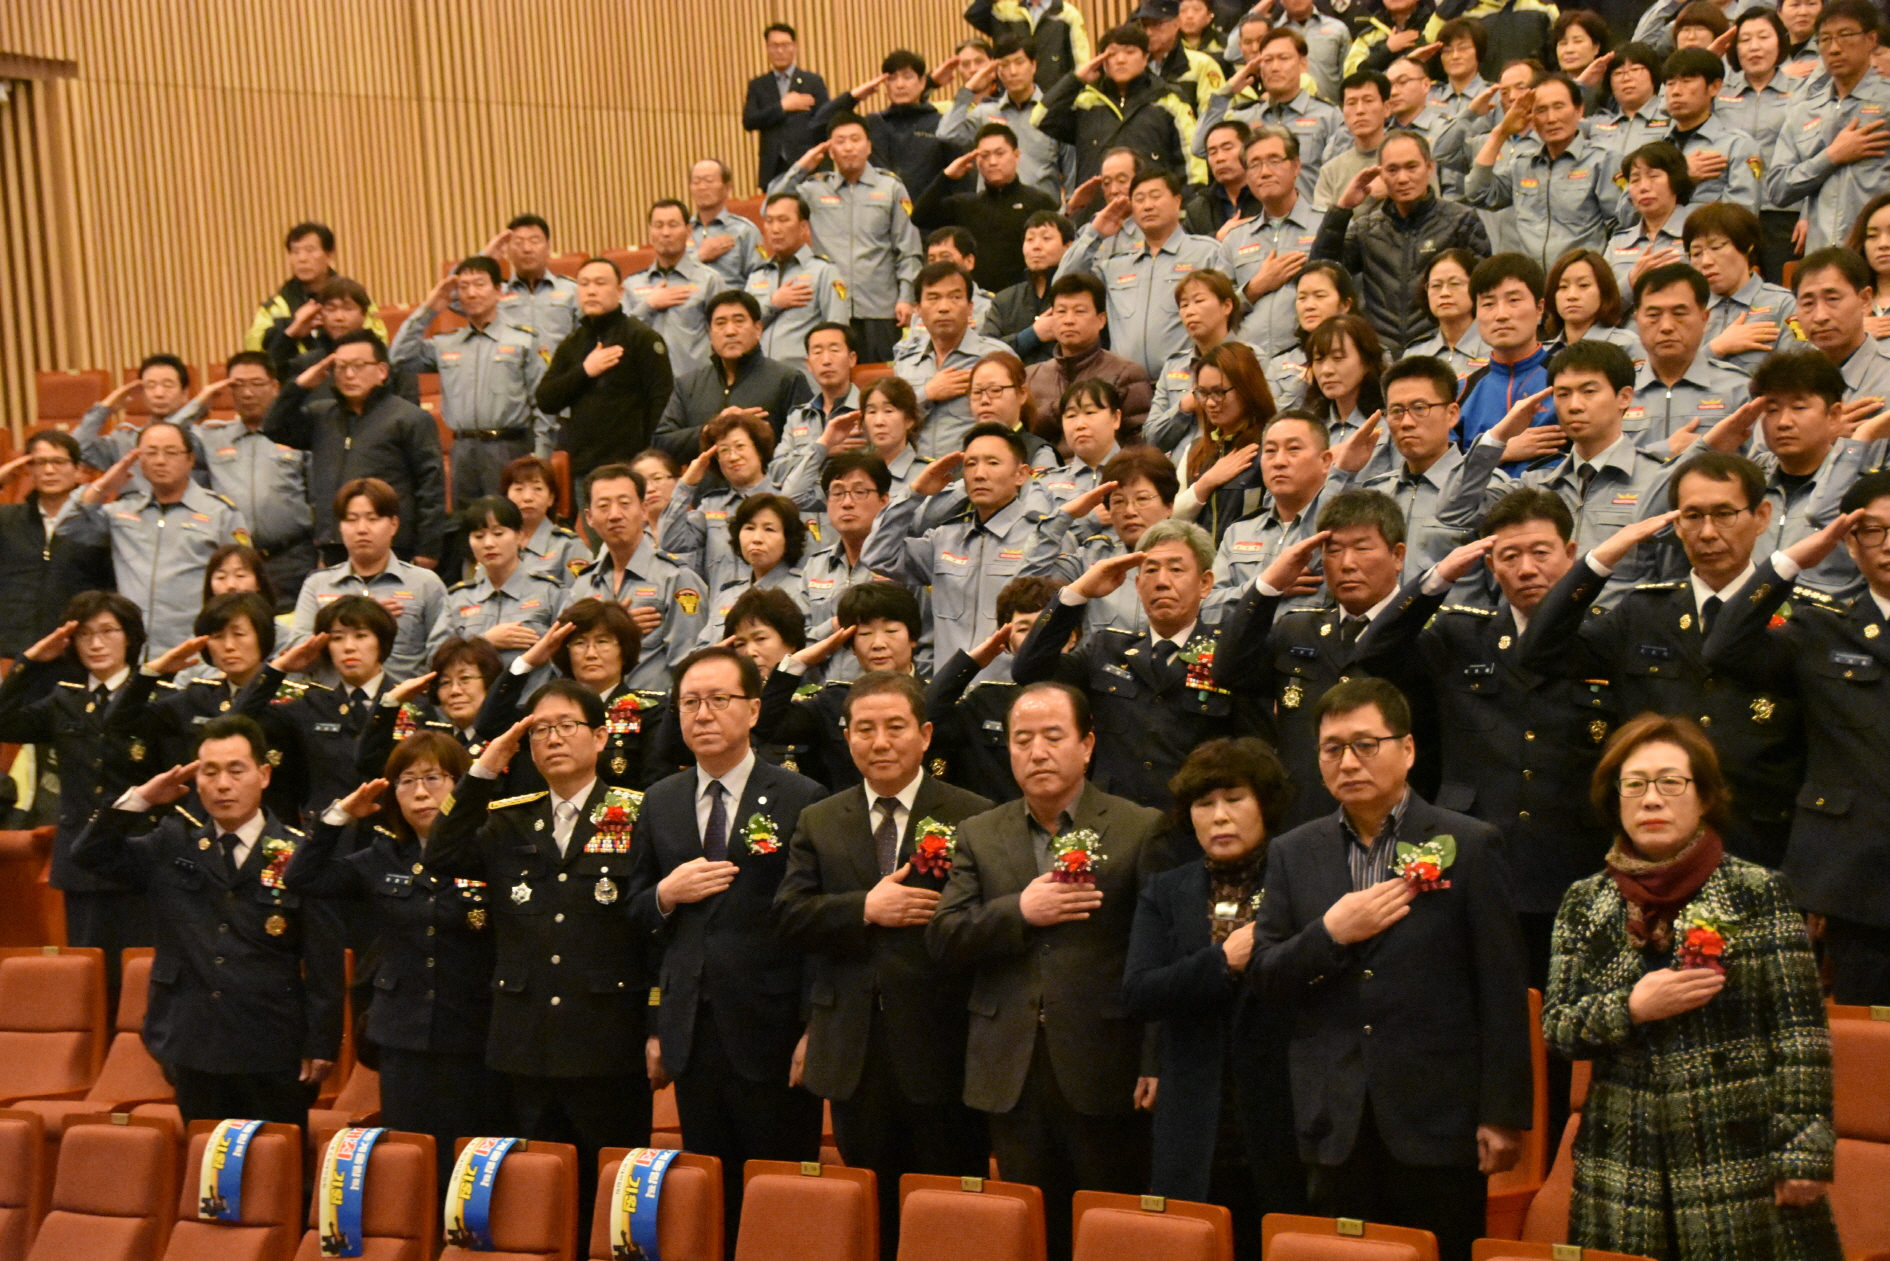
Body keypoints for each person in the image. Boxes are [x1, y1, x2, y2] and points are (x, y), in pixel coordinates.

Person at [1542, 714, 1843, 1261]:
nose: (1651, 799)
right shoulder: (1585, 901)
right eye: (1635, 784)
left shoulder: (1756, 892)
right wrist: (1632, 1007)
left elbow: (1800, 1036)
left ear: (1704, 797)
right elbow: (1559, 1028)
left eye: (1670, 782)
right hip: (1625, 1162)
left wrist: (1803, 1153)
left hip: (1738, 1155)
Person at [1251, 677, 1532, 1261]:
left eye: (1365, 744)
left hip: (1439, 1117)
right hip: (1334, 1117)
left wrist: (1502, 1114)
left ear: (1407, 749)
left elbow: (1501, 990)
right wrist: (1330, 934)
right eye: (1332, 748)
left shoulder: (1470, 844)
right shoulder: (1292, 852)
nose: (1348, 762)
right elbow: (1266, 977)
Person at [927, 681, 1169, 1261]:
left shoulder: (1139, 828)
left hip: (1105, 1059)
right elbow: (944, 936)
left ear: (1086, 745)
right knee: (1027, 1229)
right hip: (1008, 1066)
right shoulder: (980, 832)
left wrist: (1154, 1057)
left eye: (1053, 737)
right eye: (1022, 740)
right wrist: (1020, 911)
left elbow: (1160, 953)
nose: (1037, 752)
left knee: (1110, 1229)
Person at [422, 679, 657, 1234]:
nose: (553, 738)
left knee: (608, 1198)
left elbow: (656, 932)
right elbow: (442, 852)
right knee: (530, 1198)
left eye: (566, 726)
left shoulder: (640, 813)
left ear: (600, 737)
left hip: (607, 1043)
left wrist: (655, 1026)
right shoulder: (509, 819)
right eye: (540, 730)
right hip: (524, 1043)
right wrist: (485, 766)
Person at [773, 671, 995, 1253]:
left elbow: (986, 926)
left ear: (925, 734)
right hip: (853, 1051)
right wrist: (864, 909)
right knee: (871, 1216)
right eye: (865, 729)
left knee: (951, 1215)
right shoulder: (821, 818)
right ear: (846, 737)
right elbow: (790, 916)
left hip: (944, 1046)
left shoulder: (973, 815)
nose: (880, 742)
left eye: (895, 727)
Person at [624, 646, 828, 1245]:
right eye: (690, 702)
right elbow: (636, 913)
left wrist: (814, 1024)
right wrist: (665, 895)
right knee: (710, 1196)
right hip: (692, 1030)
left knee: (780, 1200)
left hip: (773, 1027)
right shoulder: (660, 799)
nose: (703, 714)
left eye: (719, 699)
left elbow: (815, 926)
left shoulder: (801, 796)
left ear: (754, 710)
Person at [1519, 452, 1805, 868]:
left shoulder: (1800, 619)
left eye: (1724, 514)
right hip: (1652, 844)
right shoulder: (1644, 612)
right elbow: (1541, 650)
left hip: (1760, 842)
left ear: (1761, 516)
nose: (1708, 532)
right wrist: (1600, 561)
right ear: (1676, 524)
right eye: (1693, 516)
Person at [73, 715, 344, 1130]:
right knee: (205, 1163)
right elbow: (88, 854)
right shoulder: (172, 844)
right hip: (192, 1041)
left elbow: (324, 960)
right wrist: (141, 799)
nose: (222, 785)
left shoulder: (297, 854)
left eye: (236, 771)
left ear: (264, 775)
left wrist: (322, 1042)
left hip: (272, 1043)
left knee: (276, 1162)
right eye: (209, 772)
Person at [1402, 490, 1619, 993]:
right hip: (1473, 860)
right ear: (1490, 564)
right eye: (1510, 555)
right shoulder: (1460, 635)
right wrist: (1438, 579)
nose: (1526, 569)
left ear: (1571, 553)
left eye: (1541, 552)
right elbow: (1377, 652)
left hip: (1574, 862)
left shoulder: (1603, 639)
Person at [284, 733, 505, 1190]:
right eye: (407, 781)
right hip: (402, 1034)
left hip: (474, 1033)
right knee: (410, 1161)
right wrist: (339, 816)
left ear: (461, 786)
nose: (420, 793)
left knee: (471, 1166)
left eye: (433, 778)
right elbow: (303, 877)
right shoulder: (381, 857)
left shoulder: (489, 852)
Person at [1703, 476, 1890, 1004]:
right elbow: (1725, 648)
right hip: (1861, 880)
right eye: (1874, 531)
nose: (1889, 545)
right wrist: (1790, 562)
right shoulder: (1824, 628)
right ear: (1850, 542)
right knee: (1866, 1038)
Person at [1124, 738, 1306, 1257]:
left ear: (1264, 805)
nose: (1219, 816)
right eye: (1204, 804)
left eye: (1234, 799)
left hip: (1283, 1112)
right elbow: (1139, 991)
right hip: (1193, 1116)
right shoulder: (1166, 890)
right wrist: (1221, 962)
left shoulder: (1300, 877)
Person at [1211, 490, 1441, 829]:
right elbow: (1229, 671)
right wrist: (1268, 585)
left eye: (1362, 548)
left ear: (1397, 555)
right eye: (1333, 551)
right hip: (1305, 822)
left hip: (1399, 824)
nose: (1347, 563)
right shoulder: (1298, 630)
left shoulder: (1430, 634)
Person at [1015, 518, 1270, 811]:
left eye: (1176, 569)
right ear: (1137, 585)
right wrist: (1079, 592)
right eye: (1150, 570)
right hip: (1112, 823)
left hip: (1194, 822)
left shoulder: (1228, 656)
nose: (1161, 582)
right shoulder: (1106, 649)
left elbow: (1256, 752)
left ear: (1205, 583)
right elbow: (1029, 671)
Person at [0, 593, 156, 992]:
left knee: (141, 979)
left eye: (107, 632)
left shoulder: (157, 698)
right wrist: (31, 661)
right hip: (81, 861)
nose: (96, 644)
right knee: (91, 980)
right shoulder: (65, 699)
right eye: (85, 634)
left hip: (138, 856)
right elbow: (5, 722)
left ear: (130, 637)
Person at [864, 422, 1058, 676]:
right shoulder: (944, 538)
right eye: (970, 464)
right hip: (950, 689)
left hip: (1013, 688)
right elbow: (877, 555)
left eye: (993, 463)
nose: (979, 474)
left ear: (1021, 474)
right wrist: (915, 494)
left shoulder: (1043, 538)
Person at [266, 329, 446, 567]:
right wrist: (300, 386)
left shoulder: (409, 418)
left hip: (393, 543)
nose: (349, 375)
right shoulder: (322, 415)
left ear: (382, 371)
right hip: (336, 541)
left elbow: (430, 486)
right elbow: (274, 427)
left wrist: (429, 548)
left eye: (359, 366)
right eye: (340, 367)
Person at [82, 422, 250, 657]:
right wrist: (104, 485)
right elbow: (69, 525)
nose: (160, 461)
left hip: (194, 647)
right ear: (139, 460)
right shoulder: (122, 512)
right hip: (132, 649)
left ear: (190, 460)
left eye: (171, 452)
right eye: (150, 453)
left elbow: (244, 585)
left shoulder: (220, 513)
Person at [1315, 132, 1490, 356]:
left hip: (1443, 351)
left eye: (1411, 167)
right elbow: (1322, 273)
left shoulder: (1461, 221)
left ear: (1430, 167)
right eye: (1392, 169)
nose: (1402, 178)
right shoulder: (1367, 228)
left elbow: (1485, 291)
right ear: (1380, 174)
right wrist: (1342, 208)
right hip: (1381, 355)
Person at [393, 255, 549, 502]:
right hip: (463, 449)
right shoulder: (447, 343)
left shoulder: (523, 341)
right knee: (467, 522)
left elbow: (543, 403)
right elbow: (398, 356)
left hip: (509, 446)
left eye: (479, 284)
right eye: (464, 287)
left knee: (509, 518)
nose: (471, 293)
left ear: (498, 290)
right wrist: (429, 308)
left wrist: (541, 457)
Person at [772, 114, 925, 363]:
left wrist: (906, 297)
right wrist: (801, 167)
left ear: (868, 146)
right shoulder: (814, 189)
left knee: (880, 379)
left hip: (880, 310)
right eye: (840, 141)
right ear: (830, 150)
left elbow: (909, 248)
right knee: (833, 377)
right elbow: (771, 206)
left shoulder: (891, 188)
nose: (848, 147)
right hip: (829, 308)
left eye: (855, 139)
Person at [486, 600, 681, 793]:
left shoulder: (652, 710)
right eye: (579, 643)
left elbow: (658, 787)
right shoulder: (547, 711)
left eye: (602, 641)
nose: (591, 653)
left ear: (624, 650)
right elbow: (490, 724)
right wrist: (528, 661)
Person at [1343, 356, 1509, 576]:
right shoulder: (1375, 492)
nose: (1406, 423)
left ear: (1451, 414)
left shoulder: (1488, 487)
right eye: (1396, 411)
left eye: (1419, 408)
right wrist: (1342, 471)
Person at [1057, 166, 1221, 378]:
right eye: (1139, 199)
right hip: (1125, 384)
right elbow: (1062, 284)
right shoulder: (1116, 265)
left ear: (1177, 201)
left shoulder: (1206, 253)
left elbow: (1231, 313)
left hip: (1185, 381)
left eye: (1155, 196)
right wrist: (1095, 233)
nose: (1148, 205)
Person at [561, 464, 709, 692]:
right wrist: (617, 628)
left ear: (643, 509)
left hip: (654, 708)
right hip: (595, 708)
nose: (614, 515)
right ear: (589, 517)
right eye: (603, 506)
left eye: (624, 503)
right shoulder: (583, 585)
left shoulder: (675, 578)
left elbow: (690, 667)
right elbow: (564, 658)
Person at [289, 478, 448, 683]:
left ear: (393, 524)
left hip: (402, 697)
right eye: (351, 520)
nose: (362, 529)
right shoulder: (318, 584)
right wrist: (358, 617)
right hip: (333, 698)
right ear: (340, 527)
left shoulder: (425, 584)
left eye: (372, 519)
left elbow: (443, 655)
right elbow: (299, 655)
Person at [1765, 0, 1890, 255]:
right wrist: (1831, 156)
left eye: (1845, 36)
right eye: (1824, 39)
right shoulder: (1804, 111)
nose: (1834, 48)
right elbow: (1778, 189)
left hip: (1878, 252)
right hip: (1822, 255)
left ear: (1871, 39)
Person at [190, 353, 314, 608]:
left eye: (257, 384)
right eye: (238, 385)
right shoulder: (212, 437)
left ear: (275, 386)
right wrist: (199, 405)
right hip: (232, 562)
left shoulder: (297, 435)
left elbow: (319, 494)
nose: (247, 393)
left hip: (291, 559)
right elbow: (162, 438)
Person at [535, 257, 674, 483]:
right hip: (583, 468)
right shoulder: (572, 342)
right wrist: (585, 371)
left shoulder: (641, 337)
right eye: (584, 284)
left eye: (600, 283)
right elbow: (545, 399)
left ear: (620, 292)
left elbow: (661, 402)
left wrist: (649, 458)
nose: (591, 291)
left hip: (631, 467)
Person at [1468, 72, 1619, 274]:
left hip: (1580, 281)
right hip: (1532, 282)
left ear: (1579, 110)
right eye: (1541, 110)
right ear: (1531, 118)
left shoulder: (1603, 160)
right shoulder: (1523, 165)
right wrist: (1500, 133)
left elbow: (1620, 227)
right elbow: (1478, 193)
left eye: (1559, 107)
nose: (1551, 118)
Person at [1034, 23, 1203, 190]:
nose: (1120, 60)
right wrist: (1076, 80)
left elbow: (1192, 164)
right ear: (1101, 60)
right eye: (1112, 53)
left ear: (1145, 57)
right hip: (1096, 205)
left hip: (1150, 203)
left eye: (1130, 52)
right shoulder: (1086, 101)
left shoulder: (1168, 99)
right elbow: (1040, 118)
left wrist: (1188, 205)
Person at [655, 291, 812, 462]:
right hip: (705, 479)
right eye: (720, 323)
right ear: (710, 333)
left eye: (739, 321)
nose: (730, 331)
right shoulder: (688, 384)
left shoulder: (787, 380)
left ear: (758, 329)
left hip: (768, 478)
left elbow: (806, 446)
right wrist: (710, 429)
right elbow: (661, 443)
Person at [0, 430, 113, 659]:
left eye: (59, 462)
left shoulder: (99, 524)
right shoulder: (6, 519)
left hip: (75, 651)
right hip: (10, 650)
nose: (49, 471)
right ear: (29, 469)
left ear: (78, 469)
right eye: (40, 463)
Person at [915, 122, 1063, 294]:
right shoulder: (966, 204)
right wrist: (947, 176)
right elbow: (920, 216)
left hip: (1025, 296)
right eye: (984, 156)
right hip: (978, 298)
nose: (992, 162)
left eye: (1000, 154)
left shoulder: (1039, 201)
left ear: (1016, 155)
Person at [1207, 411, 1335, 609]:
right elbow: (1207, 606)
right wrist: (1265, 586)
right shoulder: (1239, 531)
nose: (1279, 461)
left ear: (1325, 461)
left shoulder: (1339, 529)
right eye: (1270, 451)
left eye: (1293, 449)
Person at [1627, 263, 1753, 457]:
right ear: (1637, 321)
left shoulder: (1738, 389)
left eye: (1679, 314)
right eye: (1653, 315)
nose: (1666, 326)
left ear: (1704, 318)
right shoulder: (1617, 391)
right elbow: (1597, 464)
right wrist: (1665, 449)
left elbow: (1761, 464)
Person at [661, 411, 787, 598]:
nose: (733, 457)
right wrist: (686, 484)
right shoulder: (712, 506)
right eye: (724, 450)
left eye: (740, 446)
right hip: (722, 611)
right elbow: (671, 540)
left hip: (774, 607)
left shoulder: (785, 499)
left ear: (759, 449)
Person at [427, 497, 563, 664]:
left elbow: (570, 653)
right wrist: (483, 642)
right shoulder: (458, 598)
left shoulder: (550, 592)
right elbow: (435, 658)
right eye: (479, 536)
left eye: (498, 534)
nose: (488, 543)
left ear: (520, 535)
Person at [895, 261, 1011, 458]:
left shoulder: (996, 358)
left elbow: (1014, 422)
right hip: (914, 471)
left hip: (974, 469)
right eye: (933, 298)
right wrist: (926, 394)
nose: (944, 307)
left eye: (955, 297)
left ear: (970, 308)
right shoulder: (906, 362)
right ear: (918, 310)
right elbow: (888, 425)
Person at [1719, 7, 1802, 283]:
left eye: (1764, 37)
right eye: (1745, 40)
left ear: (1780, 41)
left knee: (1783, 292)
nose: (1754, 47)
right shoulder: (1718, 94)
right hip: (1730, 214)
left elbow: (1814, 153)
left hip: (1784, 213)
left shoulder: (1803, 90)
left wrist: (1809, 213)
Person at [938, 38, 1073, 203]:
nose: (1013, 72)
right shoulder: (985, 113)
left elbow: (1071, 172)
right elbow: (947, 133)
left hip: (1041, 214)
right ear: (997, 70)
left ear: (1033, 65)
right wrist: (969, 89)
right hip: (992, 211)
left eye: (1019, 63)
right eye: (1005, 65)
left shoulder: (1054, 113)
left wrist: (1068, 211)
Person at [1457, 254, 1562, 463]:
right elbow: (1441, 471)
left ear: (1539, 309)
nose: (1501, 314)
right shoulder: (1460, 393)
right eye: (1488, 304)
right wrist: (1501, 453)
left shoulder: (1567, 381)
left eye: (1513, 300)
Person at [814, 49, 956, 202]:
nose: (899, 85)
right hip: (877, 210)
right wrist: (853, 97)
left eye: (907, 77)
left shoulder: (942, 123)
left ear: (922, 82)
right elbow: (818, 127)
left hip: (928, 213)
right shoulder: (873, 123)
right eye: (892, 79)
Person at [1022, 273, 1154, 437]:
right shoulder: (1031, 377)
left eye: (1080, 311)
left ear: (1101, 320)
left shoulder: (1126, 375)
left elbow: (1139, 441)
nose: (1069, 320)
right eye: (1061, 311)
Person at [355, 635, 502, 780]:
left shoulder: (504, 741)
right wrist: (390, 703)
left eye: (465, 679)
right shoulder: (432, 741)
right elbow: (370, 763)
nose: (455, 691)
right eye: (445, 682)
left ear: (490, 683)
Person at [1177, 341, 1280, 543]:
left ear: (1247, 389)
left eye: (1219, 392)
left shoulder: (1272, 446)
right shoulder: (1195, 450)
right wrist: (1207, 482)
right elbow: (1170, 520)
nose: (1210, 402)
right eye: (1203, 393)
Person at [1682, 202, 1799, 373]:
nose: (1706, 262)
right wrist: (1715, 348)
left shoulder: (1783, 304)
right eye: (1696, 253)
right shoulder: (1687, 310)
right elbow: (1669, 376)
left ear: (1747, 246)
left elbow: (1799, 373)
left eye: (1716, 247)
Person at [245, 221, 384, 359]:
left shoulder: (355, 299)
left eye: (310, 250)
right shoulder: (275, 307)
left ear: (329, 255)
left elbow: (379, 344)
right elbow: (256, 355)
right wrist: (292, 326)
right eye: (295, 252)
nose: (302, 258)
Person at [74, 354, 206, 498]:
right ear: (142, 393)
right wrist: (105, 409)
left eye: (168, 385)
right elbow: (78, 448)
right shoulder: (124, 439)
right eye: (150, 386)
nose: (159, 394)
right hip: (133, 510)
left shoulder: (201, 439)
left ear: (185, 393)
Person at [745, 194, 849, 369]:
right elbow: (744, 330)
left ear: (804, 227)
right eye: (769, 221)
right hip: (759, 375)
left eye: (783, 220)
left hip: (803, 376)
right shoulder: (757, 275)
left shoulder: (823, 272)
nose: (775, 229)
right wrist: (773, 304)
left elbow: (837, 335)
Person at [1144, 269, 1241, 454]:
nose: (1189, 311)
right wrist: (1184, 408)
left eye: (1199, 301)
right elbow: (1150, 439)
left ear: (1227, 306)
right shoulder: (1174, 366)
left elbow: (1264, 423)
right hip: (1178, 468)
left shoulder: (1250, 359)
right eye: (1184, 305)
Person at [696, 497, 812, 649]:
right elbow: (700, 651)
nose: (756, 539)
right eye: (749, 528)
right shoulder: (728, 593)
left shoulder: (803, 589)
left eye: (769, 529)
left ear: (788, 539)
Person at [624, 200, 720, 382]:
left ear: (689, 231)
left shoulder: (709, 280)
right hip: (646, 388)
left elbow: (722, 336)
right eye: (658, 226)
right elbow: (619, 338)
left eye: (673, 225)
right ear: (650, 231)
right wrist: (648, 305)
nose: (665, 233)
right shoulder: (632, 284)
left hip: (698, 385)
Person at [1793, 245, 1890, 401]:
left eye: (1832, 299)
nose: (1820, 316)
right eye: (1808, 303)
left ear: (1865, 300)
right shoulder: (1787, 382)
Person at [744, 22, 831, 190]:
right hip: (773, 166)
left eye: (785, 45)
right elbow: (749, 120)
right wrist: (782, 106)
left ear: (795, 47)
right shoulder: (758, 85)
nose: (780, 51)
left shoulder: (813, 82)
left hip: (808, 165)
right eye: (774, 46)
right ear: (767, 48)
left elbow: (826, 122)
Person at [772, 323, 862, 480]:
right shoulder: (798, 417)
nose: (826, 360)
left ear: (851, 359)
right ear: (809, 364)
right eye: (817, 352)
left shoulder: (869, 410)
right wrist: (822, 450)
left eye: (834, 350)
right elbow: (777, 472)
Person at [1604, 141, 1694, 293]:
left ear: (1676, 181)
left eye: (1653, 176)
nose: (1644, 187)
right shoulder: (1618, 242)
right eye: (1635, 180)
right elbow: (1601, 303)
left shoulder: (1697, 233)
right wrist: (1631, 282)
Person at [986, 210, 1071, 364]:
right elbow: (984, 351)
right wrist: (1031, 335)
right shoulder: (1005, 300)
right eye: (1030, 239)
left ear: (1069, 246)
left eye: (1046, 238)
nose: (1036, 246)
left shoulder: (1077, 295)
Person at [1311, 70, 1396, 214]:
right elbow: (1323, 225)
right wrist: (1370, 198)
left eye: (1368, 101)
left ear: (1387, 108)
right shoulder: (1330, 172)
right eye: (1351, 103)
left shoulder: (1409, 158)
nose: (1360, 110)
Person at [964, 0, 1093, 94]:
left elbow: (1081, 64)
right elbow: (973, 13)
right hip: (1011, 102)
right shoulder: (1004, 11)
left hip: (1053, 104)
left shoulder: (1068, 14)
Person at [491, 215, 581, 349]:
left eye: (534, 241)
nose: (527, 249)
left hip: (561, 362)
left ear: (548, 248)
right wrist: (487, 255)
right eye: (518, 242)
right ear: (508, 250)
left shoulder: (572, 291)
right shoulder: (495, 294)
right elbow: (458, 297)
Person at [1404, 250, 1491, 384]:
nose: (1444, 293)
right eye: (1436, 286)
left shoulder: (1496, 349)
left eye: (1455, 284)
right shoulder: (1415, 354)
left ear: (1475, 287)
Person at [501, 456, 589, 582]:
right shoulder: (496, 544)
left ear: (551, 498)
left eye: (537, 488)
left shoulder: (569, 546)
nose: (528, 497)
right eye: (519, 489)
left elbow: (582, 593)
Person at [1542, 247, 1640, 354]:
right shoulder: (1544, 353)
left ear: (1604, 290)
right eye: (1563, 287)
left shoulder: (1625, 345)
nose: (1572, 295)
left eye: (1583, 285)